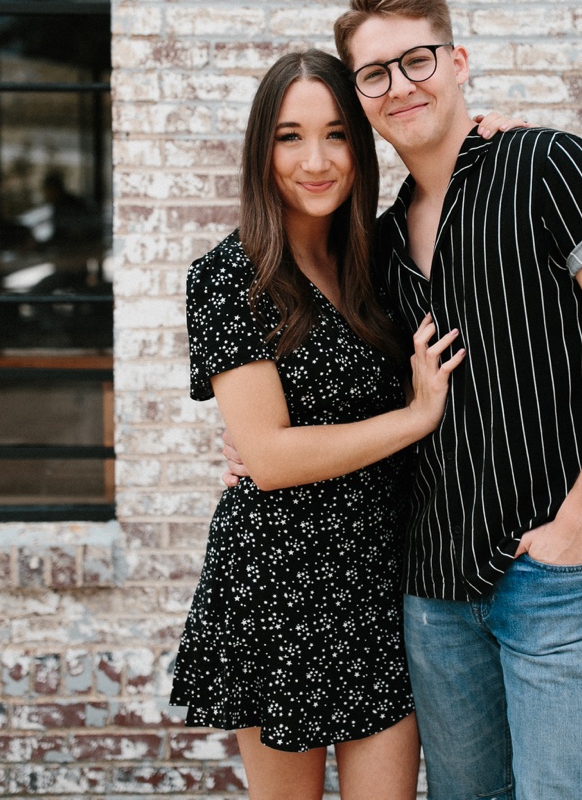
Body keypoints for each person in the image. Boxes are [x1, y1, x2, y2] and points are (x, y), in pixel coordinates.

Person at [227, 0, 582, 798]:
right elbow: (338, 390)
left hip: (552, 580)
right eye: (375, 73)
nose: (400, 85)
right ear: (362, 97)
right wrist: (254, 452)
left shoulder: (552, 167)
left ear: (458, 59)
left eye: (417, 60)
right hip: (432, 595)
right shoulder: (377, 246)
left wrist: (578, 527)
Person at [171, 49, 470, 800]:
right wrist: (415, 417)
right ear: (260, 150)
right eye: (289, 136)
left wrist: (498, 132)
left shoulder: (382, 257)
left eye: (336, 134)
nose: (315, 160)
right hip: (276, 584)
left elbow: (454, 163)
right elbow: (268, 457)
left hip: (376, 582)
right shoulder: (226, 278)